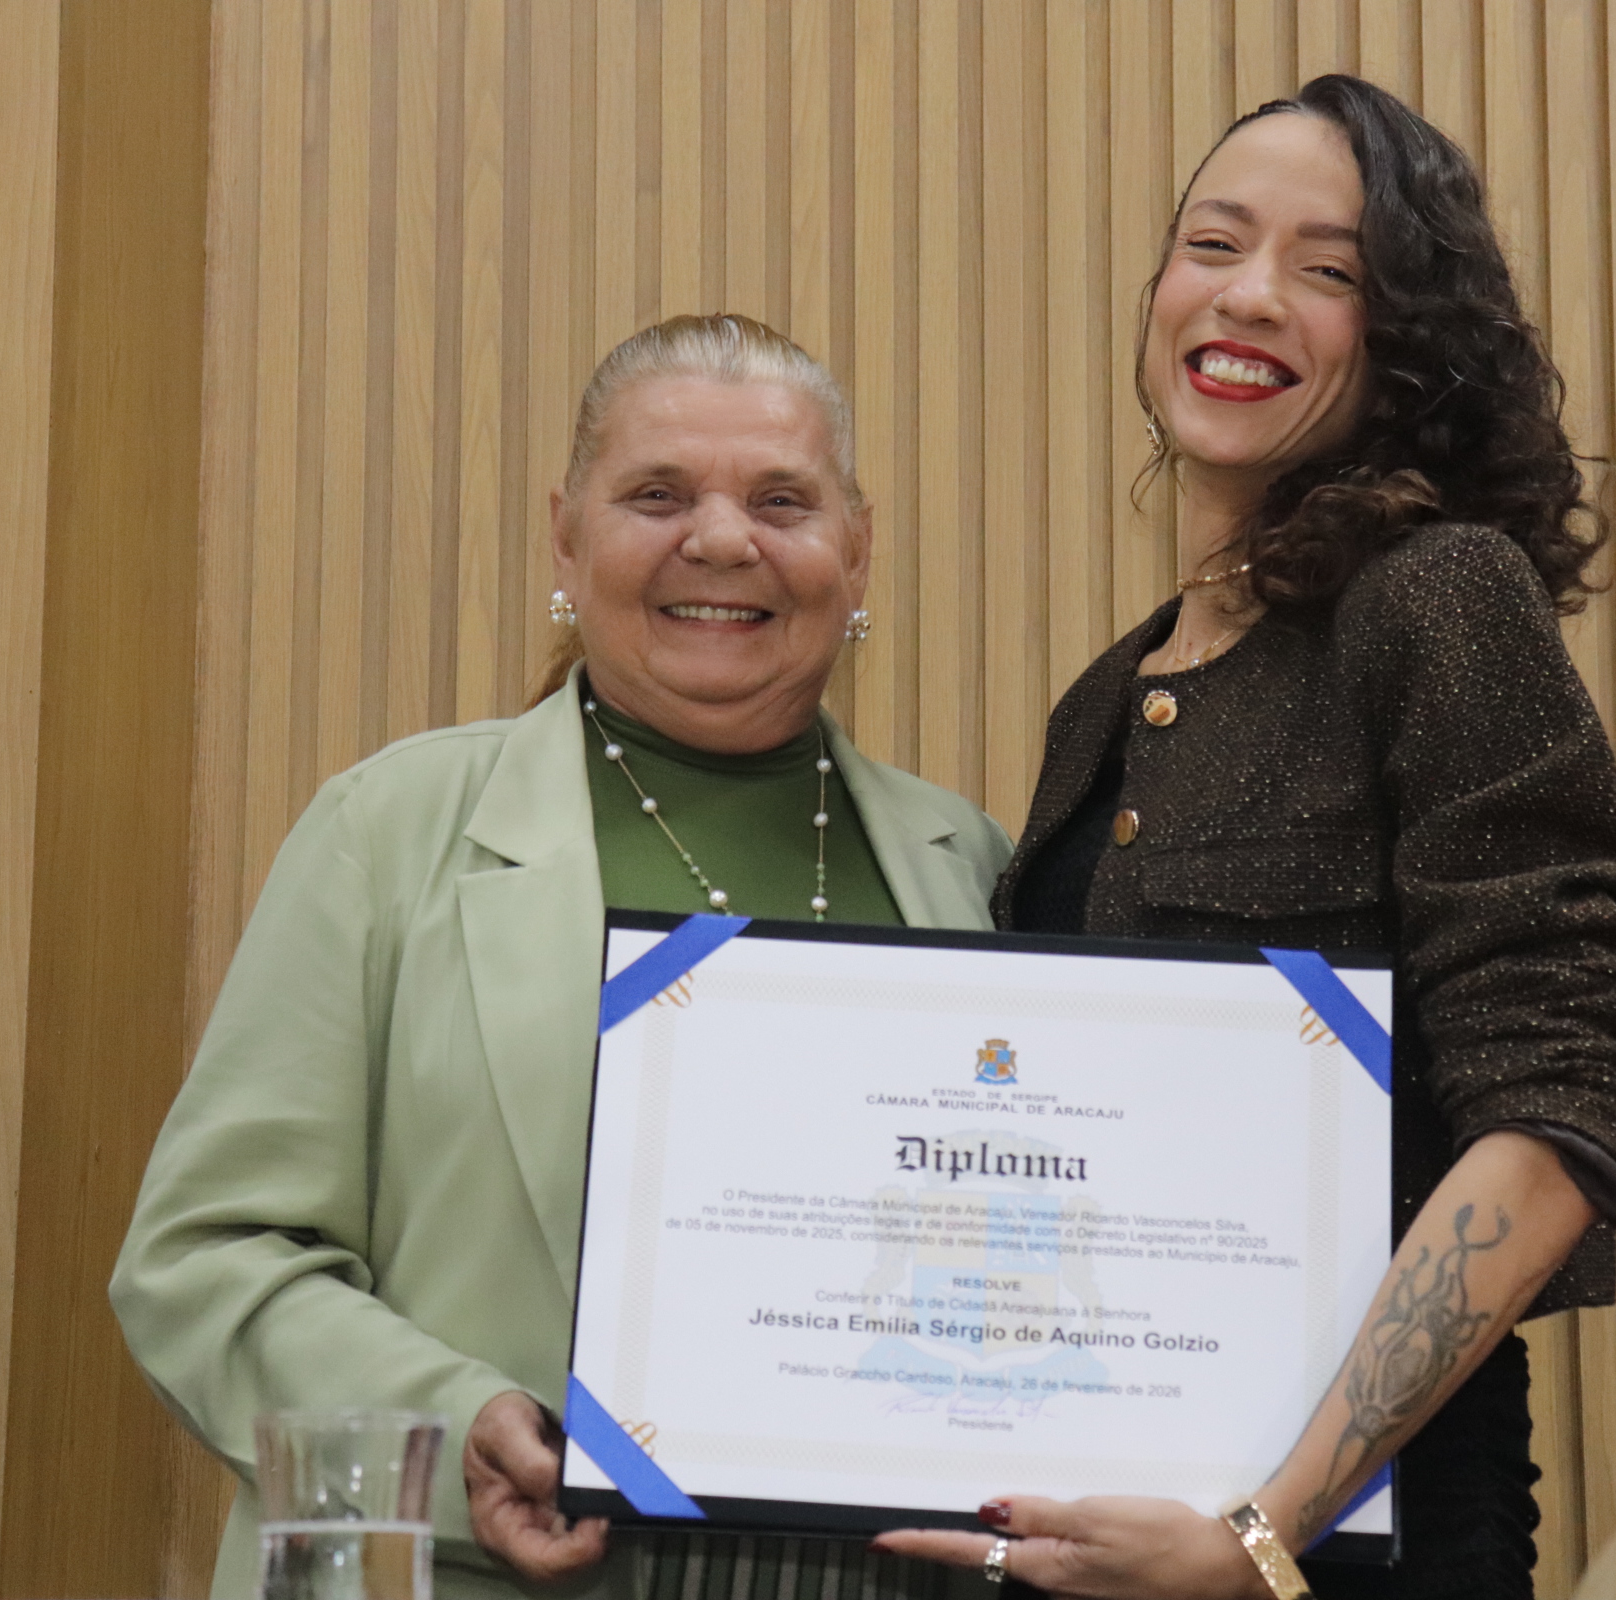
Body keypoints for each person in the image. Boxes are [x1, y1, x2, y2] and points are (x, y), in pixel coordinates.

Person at [872, 76, 1616, 1600]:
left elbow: (1556, 1116)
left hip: (1357, 1550)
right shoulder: (1108, 695)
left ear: (1406, 342)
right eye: (1214, 243)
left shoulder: (1437, 599)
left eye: (1328, 269)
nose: (1247, 295)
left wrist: (1263, 1530)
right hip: (1102, 1541)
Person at [113, 314, 1012, 1600]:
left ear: (856, 548)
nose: (721, 539)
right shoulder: (389, 831)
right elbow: (203, 1260)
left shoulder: (969, 864)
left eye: (780, 500)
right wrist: (456, 1426)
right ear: (567, 534)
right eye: (658, 495)